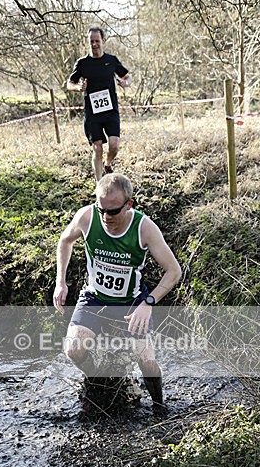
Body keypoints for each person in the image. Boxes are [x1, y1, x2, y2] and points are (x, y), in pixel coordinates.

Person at [53, 173, 182, 409]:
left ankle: (159, 407)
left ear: (128, 204)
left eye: (112, 211)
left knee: (147, 360)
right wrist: (60, 281)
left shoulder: (144, 228)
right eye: (101, 208)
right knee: (73, 350)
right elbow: (65, 241)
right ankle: (103, 382)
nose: (105, 217)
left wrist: (148, 303)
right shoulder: (87, 217)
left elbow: (174, 271)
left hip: (132, 303)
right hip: (94, 298)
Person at [67, 27, 131, 182]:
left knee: (114, 146)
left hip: (111, 110)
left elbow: (127, 77)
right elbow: (70, 83)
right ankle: (99, 183)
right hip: (92, 113)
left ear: (103, 41)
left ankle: (107, 164)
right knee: (98, 147)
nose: (94, 44)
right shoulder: (82, 63)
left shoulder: (111, 60)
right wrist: (78, 88)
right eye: (91, 41)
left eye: (97, 41)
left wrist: (124, 83)